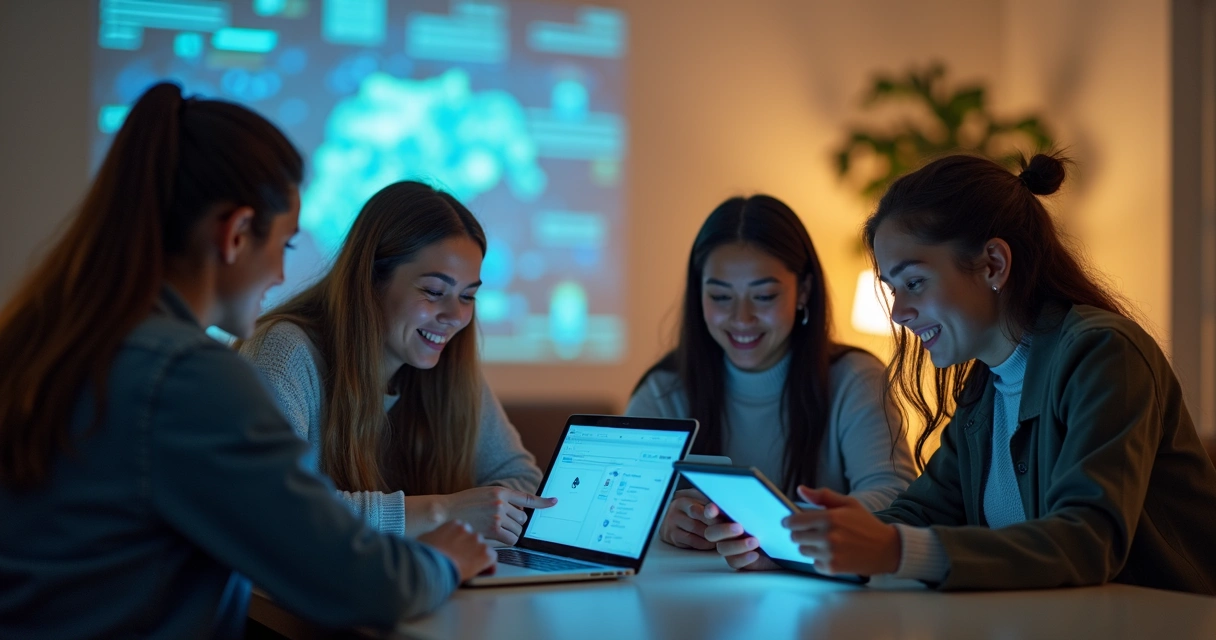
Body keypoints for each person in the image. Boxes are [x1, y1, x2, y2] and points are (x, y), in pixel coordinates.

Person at [0, 83, 495, 638]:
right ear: (236, 234)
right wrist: (445, 557)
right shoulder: (188, 378)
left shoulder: (53, 339)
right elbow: (357, 581)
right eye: (284, 246)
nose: (283, 277)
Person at [705, 154, 1216, 595]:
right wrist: (803, 546)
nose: (900, 311)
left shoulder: (1103, 354)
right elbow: (925, 512)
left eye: (915, 282)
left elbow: (1087, 540)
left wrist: (891, 548)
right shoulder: (986, 385)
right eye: (892, 287)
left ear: (993, 263)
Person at [240, 180, 552, 545]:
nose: (454, 315)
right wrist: (442, 513)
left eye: (468, 296)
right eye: (434, 292)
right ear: (370, 280)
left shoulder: (447, 365)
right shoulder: (283, 352)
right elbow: (273, 508)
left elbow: (522, 480)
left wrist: (483, 510)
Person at [626, 194, 916, 551]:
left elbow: (896, 496)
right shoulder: (664, 390)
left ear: (803, 291)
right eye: (720, 297)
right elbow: (625, 505)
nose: (742, 318)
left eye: (763, 297)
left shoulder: (855, 379)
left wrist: (781, 526)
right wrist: (662, 519)